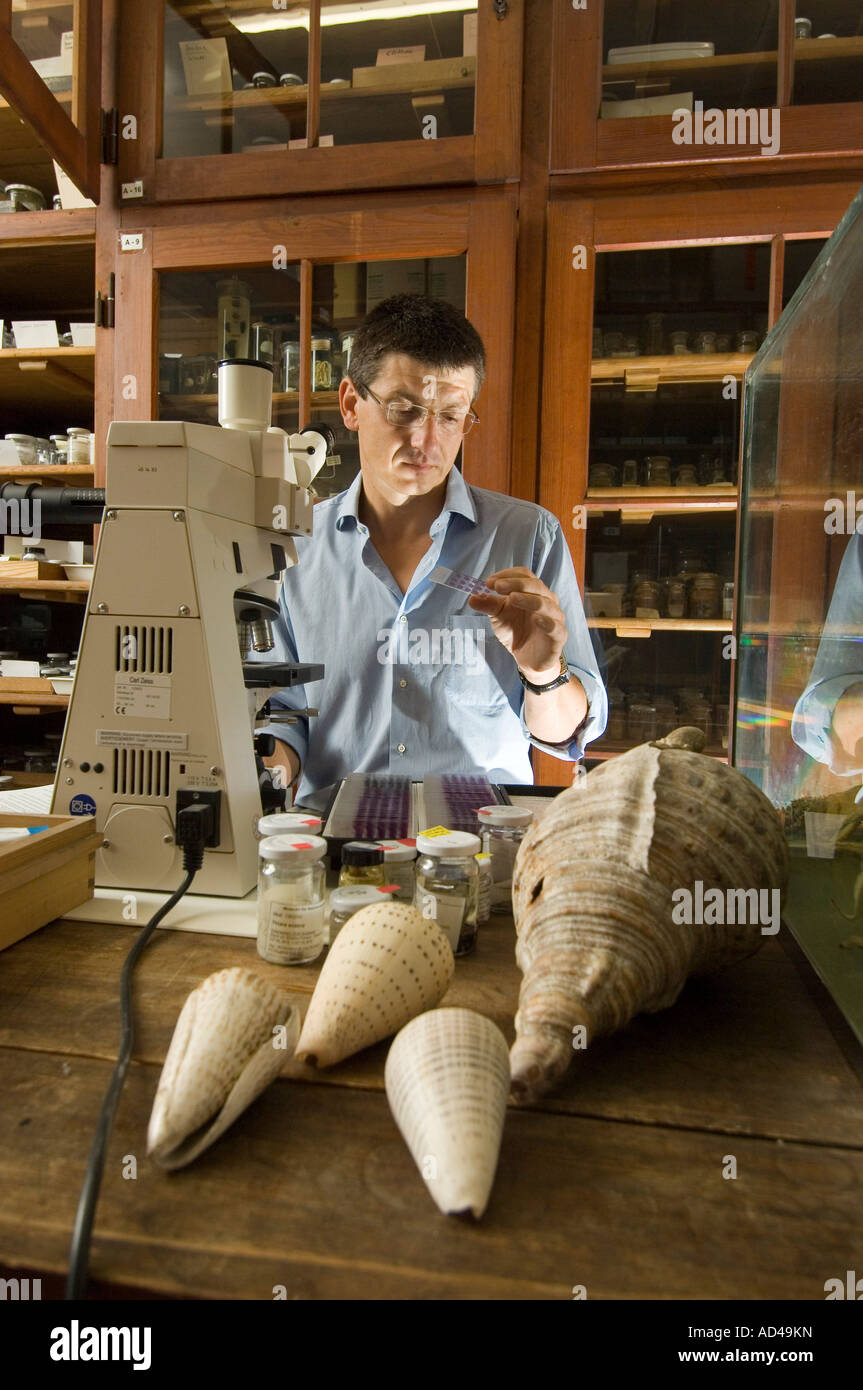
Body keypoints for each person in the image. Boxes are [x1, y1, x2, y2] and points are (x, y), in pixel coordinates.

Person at [260, 293, 607, 811]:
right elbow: (282, 716)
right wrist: (266, 765)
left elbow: (563, 736)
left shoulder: (529, 536)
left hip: (480, 850)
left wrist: (542, 673)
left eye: (450, 416)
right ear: (352, 404)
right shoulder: (293, 547)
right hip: (334, 852)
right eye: (404, 410)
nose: (427, 441)